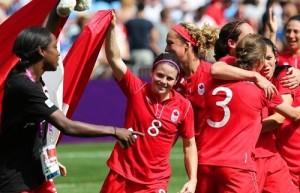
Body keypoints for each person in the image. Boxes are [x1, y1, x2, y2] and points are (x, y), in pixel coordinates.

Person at [0, 26, 144, 193]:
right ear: (41, 51)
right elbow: (66, 125)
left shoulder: (33, 79)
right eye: (54, 47)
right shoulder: (23, 85)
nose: (59, 53)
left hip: (34, 173)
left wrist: (61, 11)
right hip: (14, 180)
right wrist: (114, 131)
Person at [99, 11, 197, 193]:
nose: (163, 81)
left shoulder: (184, 107)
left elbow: (189, 145)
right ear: (151, 73)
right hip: (121, 173)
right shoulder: (136, 88)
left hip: (155, 181)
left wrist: (193, 179)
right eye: (160, 75)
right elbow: (114, 59)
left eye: (169, 78)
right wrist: (111, 29)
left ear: (176, 81)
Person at [199, 33, 300, 193]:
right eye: (264, 59)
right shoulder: (262, 88)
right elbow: (291, 114)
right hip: (240, 161)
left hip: (206, 158)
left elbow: (215, 68)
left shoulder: (214, 80)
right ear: (258, 61)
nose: (267, 64)